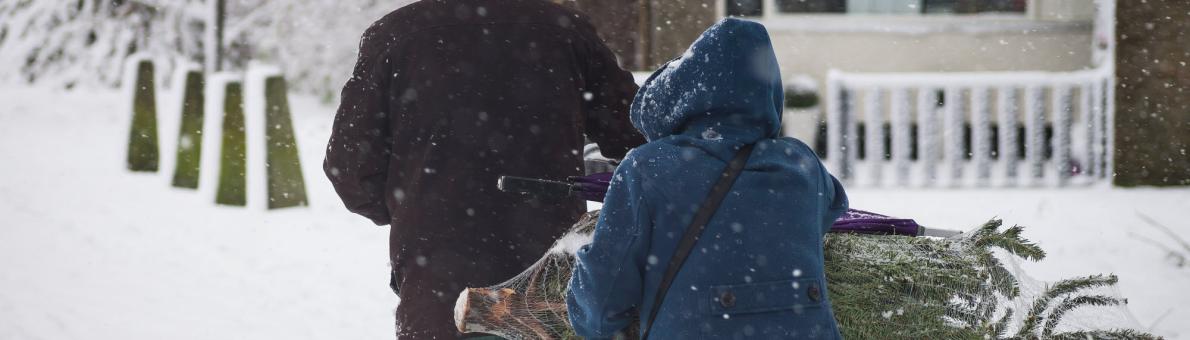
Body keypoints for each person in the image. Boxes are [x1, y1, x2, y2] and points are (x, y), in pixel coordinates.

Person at [323, 0, 646, 338]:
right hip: (542, 278)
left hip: (436, 276)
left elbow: (349, 169)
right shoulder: (564, 30)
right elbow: (635, 134)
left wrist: (415, 207)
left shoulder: (394, 35)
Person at [566, 18, 849, 339]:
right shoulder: (801, 164)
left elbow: (602, 303)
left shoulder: (646, 168)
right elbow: (833, 206)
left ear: (681, 94)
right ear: (769, 93)